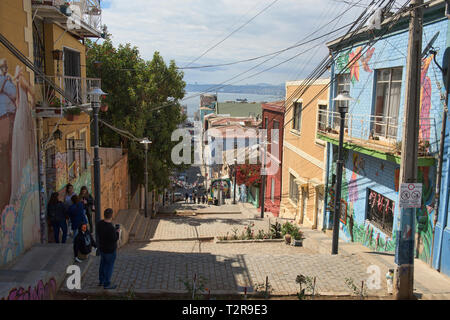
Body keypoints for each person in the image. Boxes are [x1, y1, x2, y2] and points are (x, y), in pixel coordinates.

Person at [97, 208, 119, 290]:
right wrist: (117, 232)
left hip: (102, 248)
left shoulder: (99, 224)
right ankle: (107, 284)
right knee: (109, 266)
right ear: (111, 216)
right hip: (110, 250)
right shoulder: (111, 228)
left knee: (102, 265)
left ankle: (101, 281)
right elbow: (114, 239)